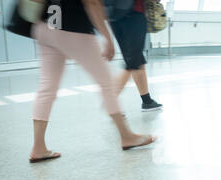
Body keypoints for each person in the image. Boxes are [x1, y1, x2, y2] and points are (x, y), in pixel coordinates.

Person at [30, 0, 156, 163]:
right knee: (106, 84)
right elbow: (92, 2)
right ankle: (127, 136)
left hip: (46, 26)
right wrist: (107, 38)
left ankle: (38, 147)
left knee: (47, 88)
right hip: (73, 28)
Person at [109, 0, 163, 112]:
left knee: (137, 60)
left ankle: (147, 101)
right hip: (134, 15)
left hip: (115, 17)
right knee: (132, 63)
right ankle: (110, 103)